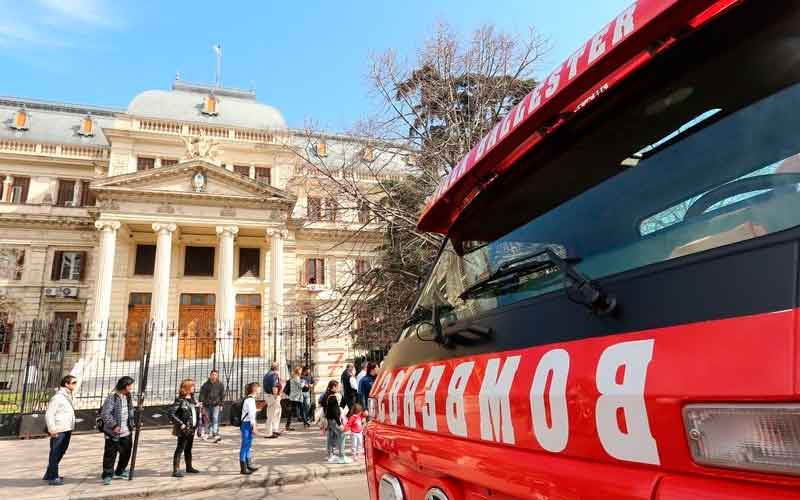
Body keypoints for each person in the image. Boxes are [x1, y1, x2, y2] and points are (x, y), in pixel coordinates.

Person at [100, 376, 135, 485]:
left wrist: (132, 422)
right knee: (110, 454)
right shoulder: (113, 397)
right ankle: (107, 475)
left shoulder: (128, 396)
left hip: (126, 431)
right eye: (130, 385)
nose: (131, 388)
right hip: (113, 432)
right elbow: (105, 414)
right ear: (125, 386)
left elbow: (130, 411)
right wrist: (114, 425)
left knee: (126, 453)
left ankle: (120, 471)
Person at [43, 375, 77, 486]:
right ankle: (53, 477)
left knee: (61, 451)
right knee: (55, 452)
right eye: (73, 382)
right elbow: (49, 414)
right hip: (59, 429)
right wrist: (52, 429)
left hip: (67, 428)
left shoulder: (68, 395)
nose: (75, 384)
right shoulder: (58, 397)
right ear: (66, 384)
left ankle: (50, 473)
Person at [168, 378, 201, 478]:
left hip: (191, 428)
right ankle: (176, 470)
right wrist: (181, 424)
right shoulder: (180, 400)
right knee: (180, 448)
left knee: (188, 448)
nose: (194, 388)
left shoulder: (192, 399)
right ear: (187, 387)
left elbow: (192, 413)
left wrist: (198, 406)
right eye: (192, 386)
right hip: (184, 429)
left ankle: (189, 467)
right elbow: (171, 413)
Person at [323, 380, 351, 464]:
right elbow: (335, 412)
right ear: (333, 387)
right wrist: (340, 424)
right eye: (337, 387)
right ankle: (342, 456)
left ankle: (330, 455)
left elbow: (324, 406)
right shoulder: (332, 397)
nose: (338, 388)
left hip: (329, 419)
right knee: (341, 435)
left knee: (331, 437)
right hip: (333, 420)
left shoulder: (326, 394)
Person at [239, 382, 261, 475]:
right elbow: (252, 415)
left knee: (248, 445)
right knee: (245, 446)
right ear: (255, 389)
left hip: (247, 424)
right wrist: (254, 426)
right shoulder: (250, 400)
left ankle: (248, 465)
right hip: (246, 424)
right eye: (259, 388)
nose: (260, 390)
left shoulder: (249, 399)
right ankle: (243, 468)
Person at [199, 369, 225, 442]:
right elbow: (202, 394)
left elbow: (222, 395)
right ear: (210, 375)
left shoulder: (220, 385)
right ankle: (207, 433)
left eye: (215, 375)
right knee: (207, 419)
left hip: (216, 404)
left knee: (215, 418)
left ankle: (215, 433)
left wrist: (221, 404)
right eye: (212, 374)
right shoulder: (205, 384)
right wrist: (201, 402)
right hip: (206, 404)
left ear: (217, 376)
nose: (214, 376)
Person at [262, 362, 282, 438]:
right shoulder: (274, 375)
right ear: (277, 367)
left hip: (269, 396)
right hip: (273, 396)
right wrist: (276, 396)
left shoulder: (267, 374)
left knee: (275, 414)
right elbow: (274, 387)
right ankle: (269, 433)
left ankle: (275, 430)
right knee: (272, 415)